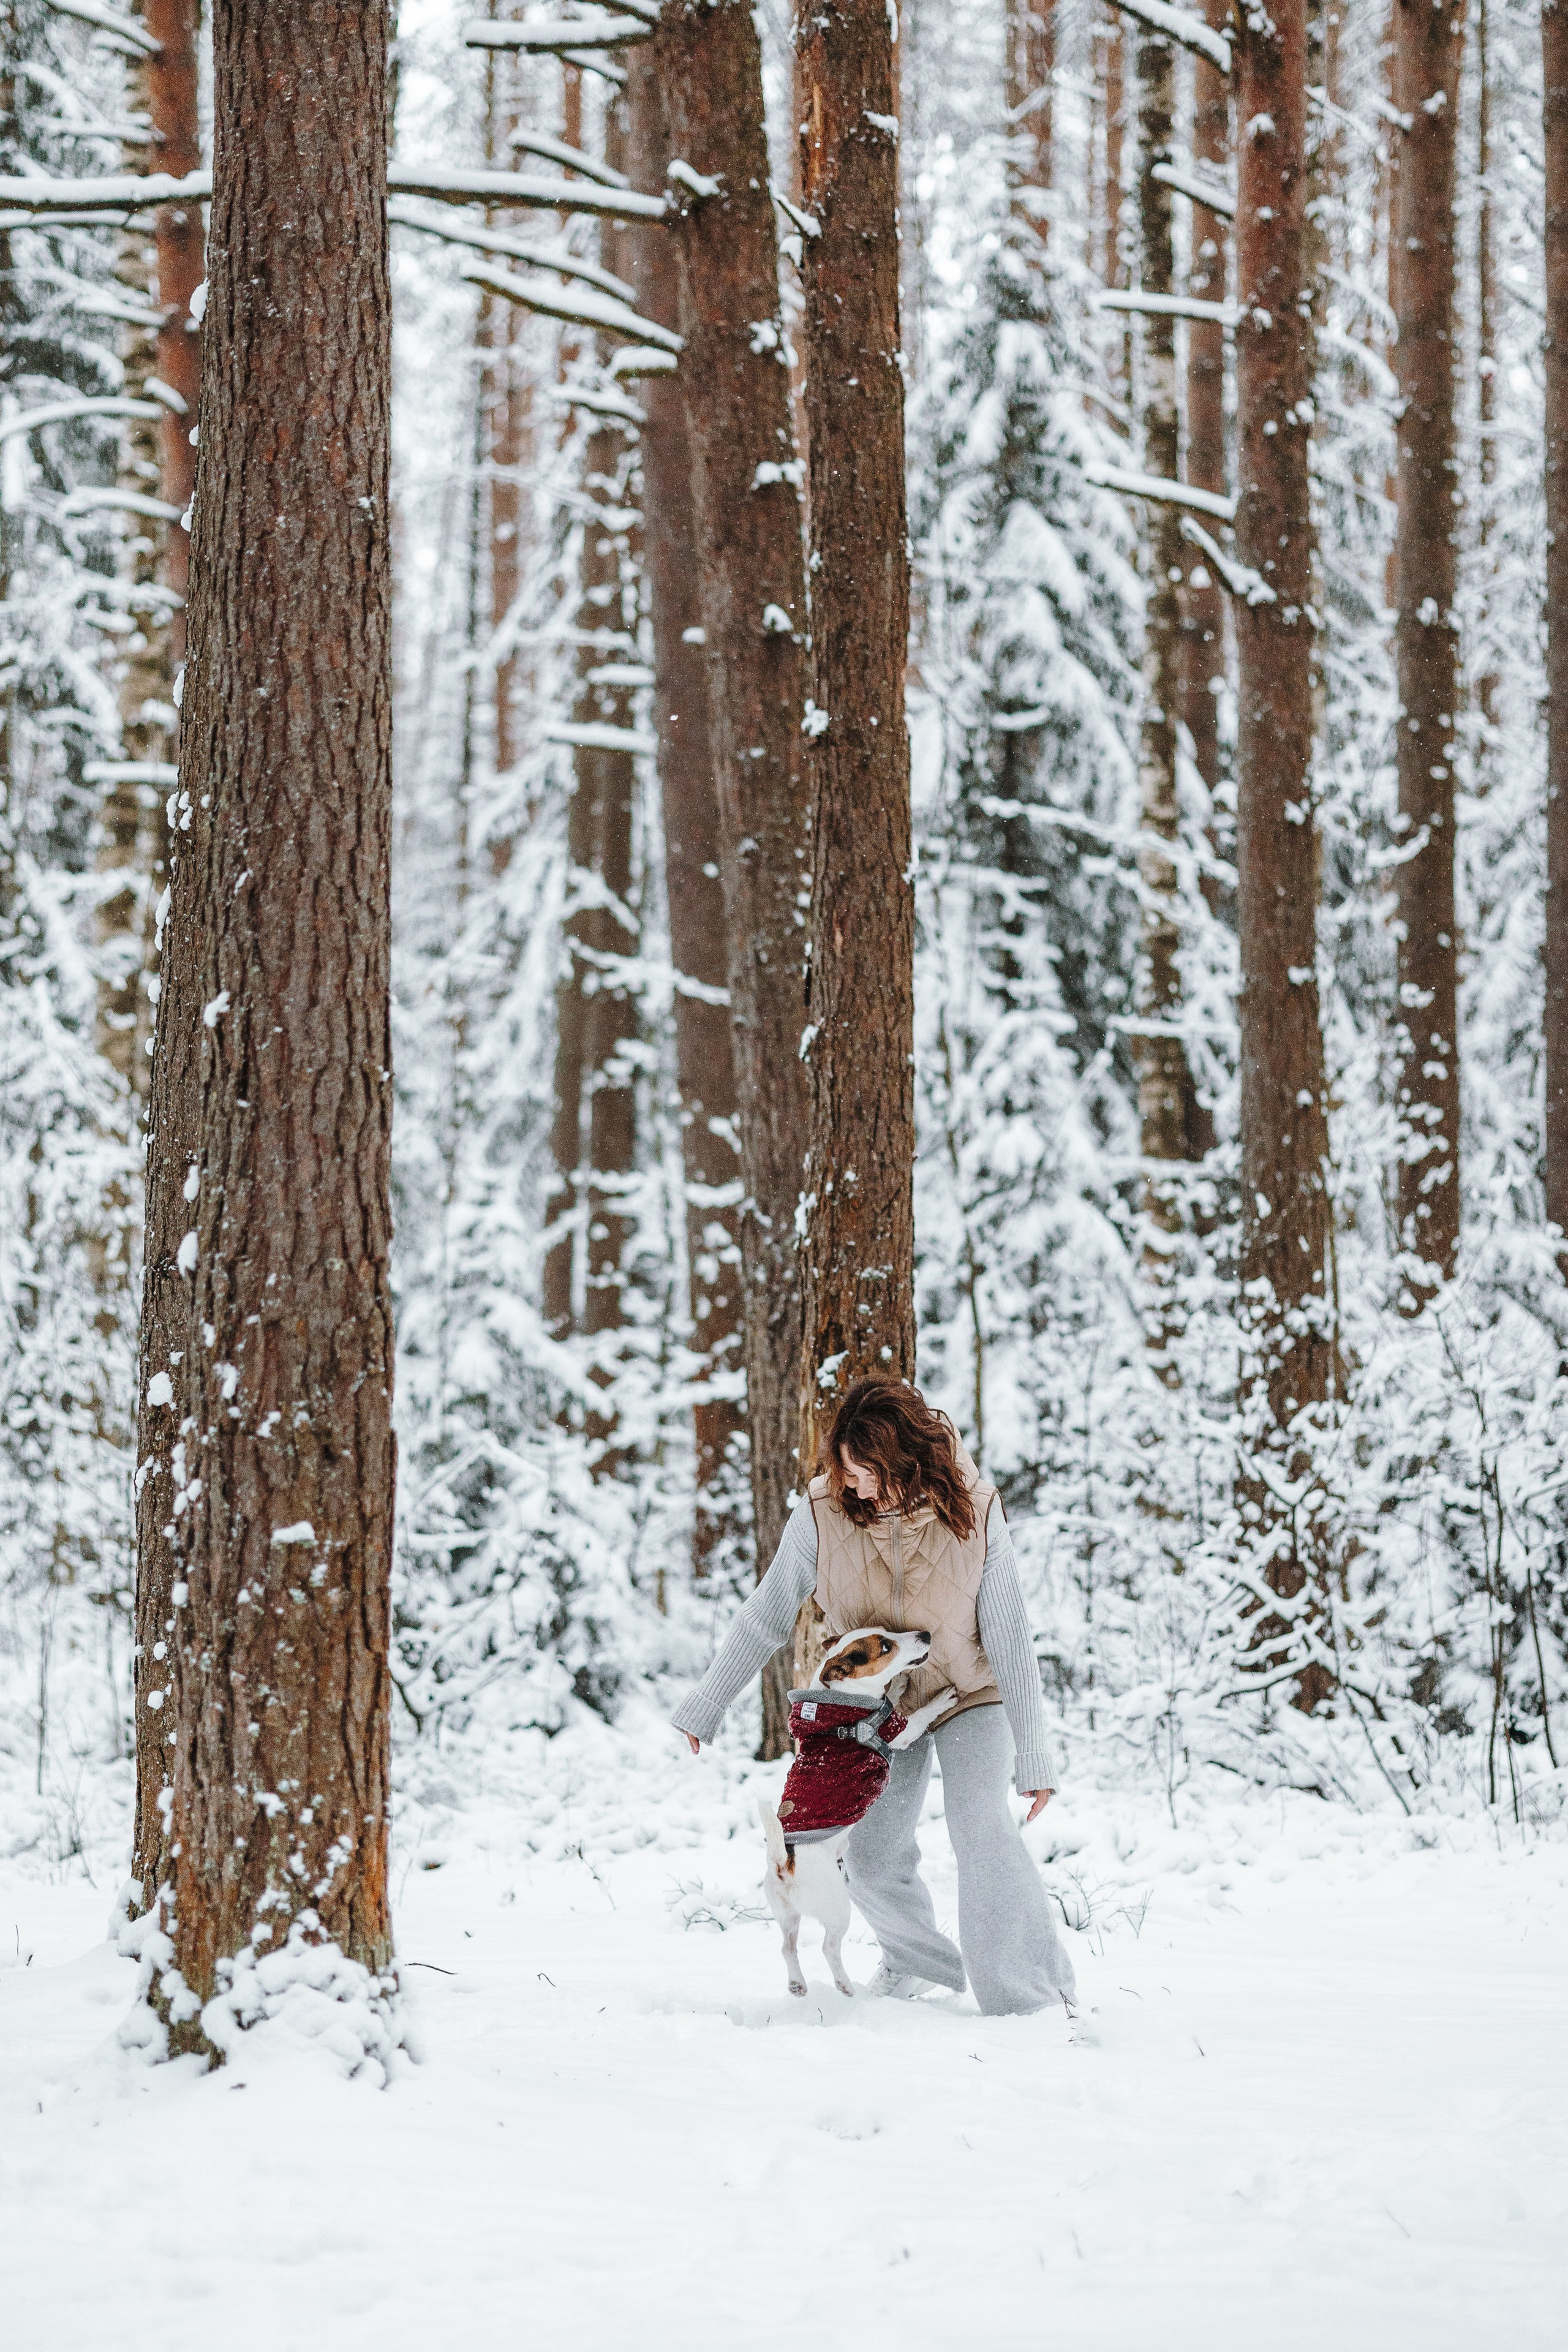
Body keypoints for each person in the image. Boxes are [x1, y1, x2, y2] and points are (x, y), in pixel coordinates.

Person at [673, 1375, 1077, 2019]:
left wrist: (1035, 1755)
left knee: (981, 1825)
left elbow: (1009, 1635)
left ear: (901, 1461)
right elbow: (766, 1615)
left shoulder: (974, 1510)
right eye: (842, 1470)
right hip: (874, 1711)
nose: (849, 1484)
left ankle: (1029, 1997)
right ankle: (919, 1963)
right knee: (872, 1851)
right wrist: (707, 1703)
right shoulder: (821, 1514)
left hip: (970, 1691)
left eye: (862, 1471)